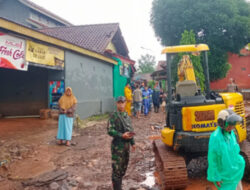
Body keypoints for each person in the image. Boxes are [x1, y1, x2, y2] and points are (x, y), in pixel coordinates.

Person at [207, 109, 245, 190]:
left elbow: (235, 151)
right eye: (229, 124)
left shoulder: (231, 134)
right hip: (224, 176)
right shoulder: (215, 138)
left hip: (234, 172)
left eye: (233, 125)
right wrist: (216, 177)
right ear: (221, 123)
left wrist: (240, 163)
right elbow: (212, 159)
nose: (231, 127)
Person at [107, 96, 136, 190]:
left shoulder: (126, 115)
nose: (121, 104)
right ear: (117, 104)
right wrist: (121, 135)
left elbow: (130, 129)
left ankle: (119, 186)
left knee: (123, 168)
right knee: (116, 169)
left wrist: (133, 142)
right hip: (117, 147)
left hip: (126, 146)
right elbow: (110, 130)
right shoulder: (114, 116)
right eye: (119, 103)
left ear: (125, 103)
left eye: (123, 102)